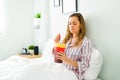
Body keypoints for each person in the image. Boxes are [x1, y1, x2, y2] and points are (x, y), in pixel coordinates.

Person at [52, 13, 93, 80]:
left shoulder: (86, 42)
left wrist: (67, 60)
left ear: (80, 25)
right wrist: (56, 44)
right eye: (70, 23)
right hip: (61, 69)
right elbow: (57, 56)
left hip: (72, 74)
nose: (71, 26)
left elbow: (85, 65)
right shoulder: (67, 39)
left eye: (74, 23)